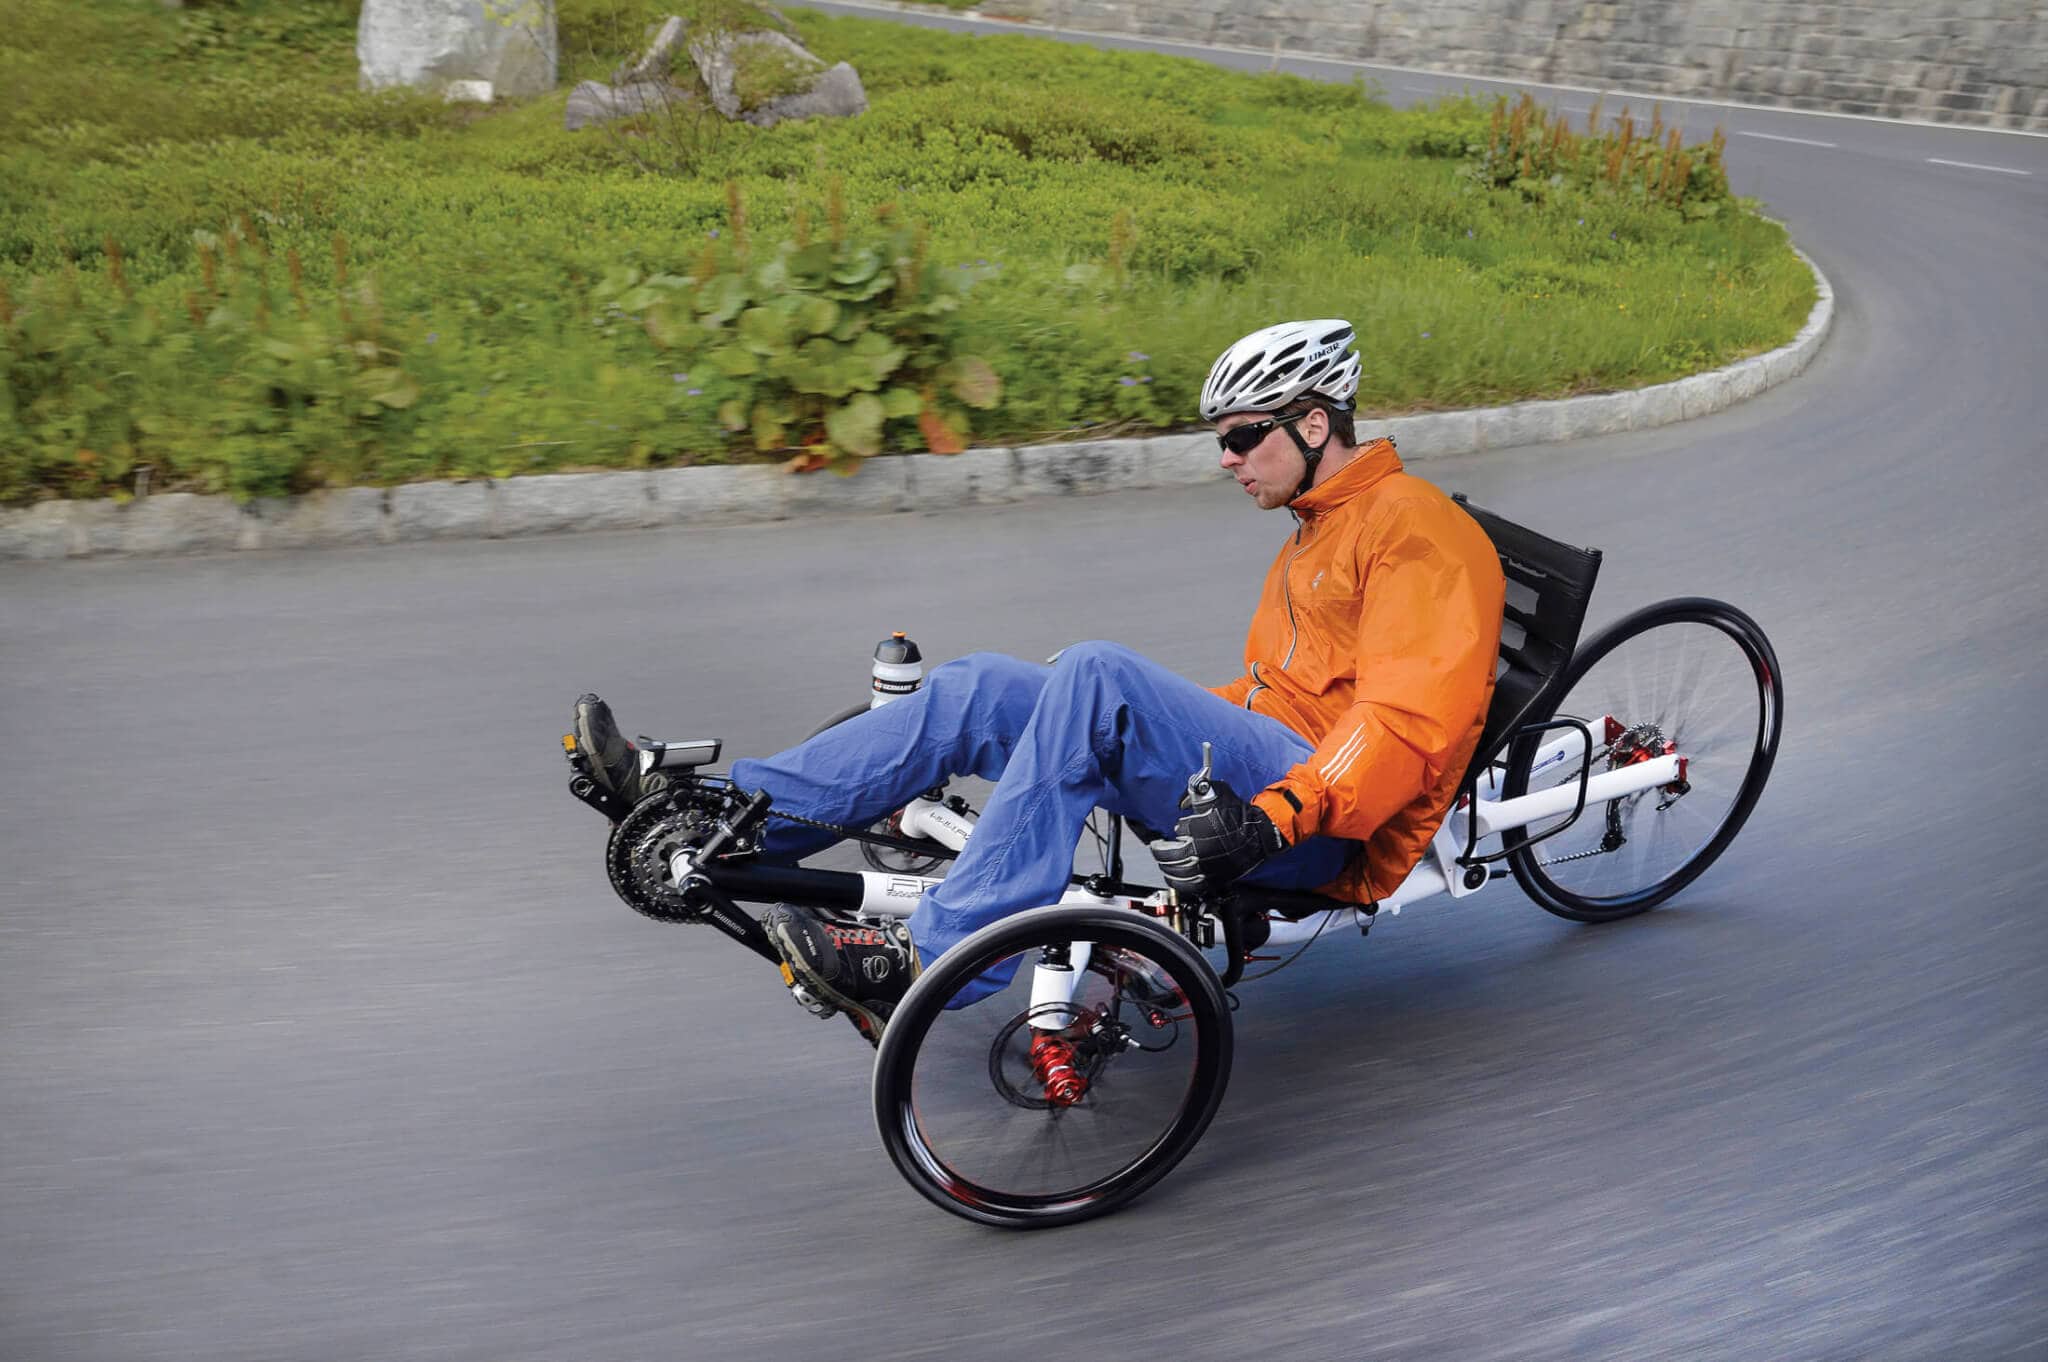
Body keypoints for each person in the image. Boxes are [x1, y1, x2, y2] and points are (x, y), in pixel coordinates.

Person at [573, 319, 1507, 1044]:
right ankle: (726, 819)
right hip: (1284, 770)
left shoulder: (1414, 530)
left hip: (1324, 827)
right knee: (986, 686)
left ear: (1314, 424)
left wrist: (1274, 817)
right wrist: (1120, 714)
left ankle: (925, 958)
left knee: (1099, 673)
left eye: (1243, 436)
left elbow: (1399, 726)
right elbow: (1278, 694)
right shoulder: (1321, 525)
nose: (1225, 458)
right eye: (1221, 440)